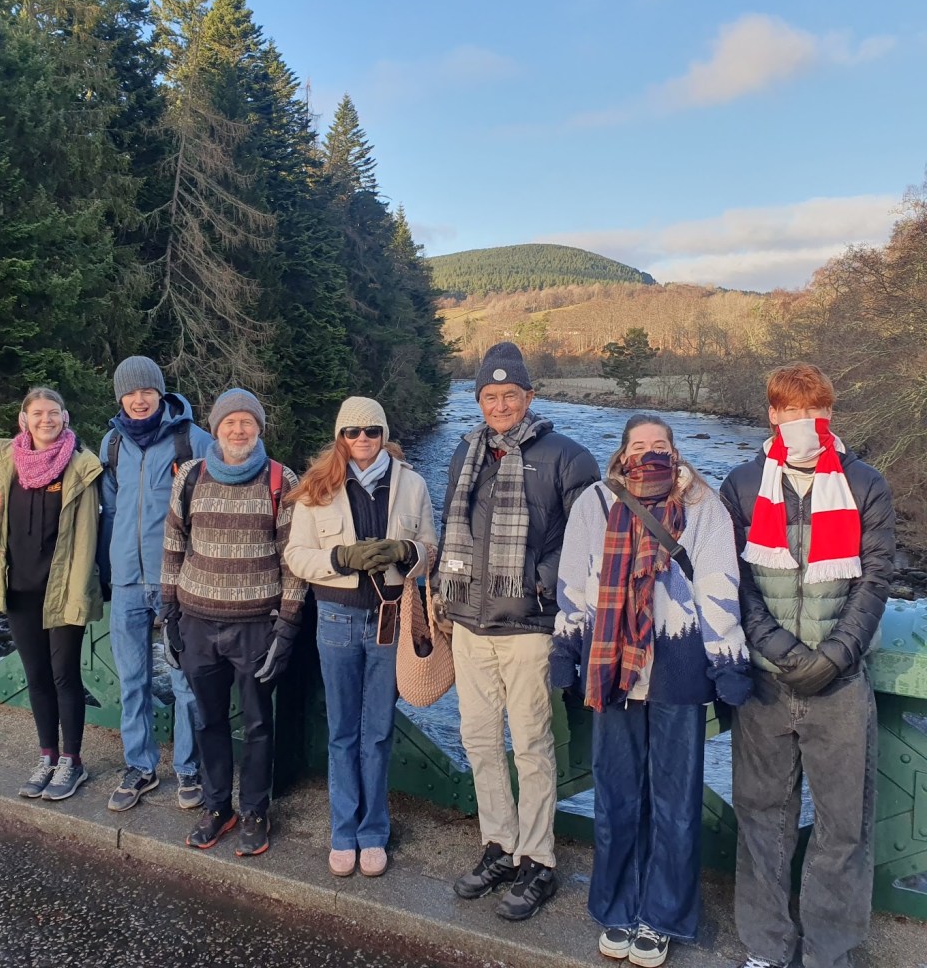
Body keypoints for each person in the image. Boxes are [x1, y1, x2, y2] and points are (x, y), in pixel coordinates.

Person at [552, 414, 752, 967]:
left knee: (676, 803)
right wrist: (565, 647)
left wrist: (727, 659)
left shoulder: (703, 504)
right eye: (638, 445)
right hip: (613, 668)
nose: (649, 453)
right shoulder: (594, 502)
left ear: (674, 450)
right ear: (621, 453)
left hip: (679, 669)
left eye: (659, 445)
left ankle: (662, 917)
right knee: (616, 797)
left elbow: (718, 584)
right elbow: (575, 580)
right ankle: (616, 906)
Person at [720, 363, 895, 968]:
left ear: (829, 415)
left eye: (814, 411)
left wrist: (837, 655)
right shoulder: (742, 484)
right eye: (791, 411)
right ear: (772, 414)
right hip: (767, 685)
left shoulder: (865, 483)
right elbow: (732, 581)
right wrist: (779, 650)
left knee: (843, 827)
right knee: (762, 818)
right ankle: (767, 947)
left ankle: (829, 951)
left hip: (840, 687)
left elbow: (876, 579)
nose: (803, 423)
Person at [436, 342, 600, 921]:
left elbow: (586, 540)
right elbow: (451, 526)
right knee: (480, 740)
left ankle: (538, 859)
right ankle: (499, 845)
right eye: (489, 395)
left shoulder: (568, 456)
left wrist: (539, 584)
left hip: (529, 624)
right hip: (470, 622)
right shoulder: (466, 453)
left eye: (510, 394)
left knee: (531, 745)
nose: (500, 404)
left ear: (529, 396)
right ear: (478, 400)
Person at [285, 397, 437, 879]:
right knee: (343, 731)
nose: (363, 440)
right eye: (352, 432)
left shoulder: (412, 483)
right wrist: (339, 560)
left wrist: (405, 550)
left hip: (391, 617)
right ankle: (342, 830)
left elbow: (431, 551)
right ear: (340, 438)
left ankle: (374, 830)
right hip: (335, 618)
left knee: (378, 731)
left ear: (383, 432)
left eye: (372, 431)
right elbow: (296, 555)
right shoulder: (317, 487)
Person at [160, 389, 307, 855]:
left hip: (256, 626)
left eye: (247, 422)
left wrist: (285, 627)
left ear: (259, 428)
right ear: (216, 428)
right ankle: (218, 806)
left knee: (260, 723)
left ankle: (256, 811)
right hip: (198, 622)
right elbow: (172, 546)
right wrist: (168, 614)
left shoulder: (282, 480)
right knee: (209, 721)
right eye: (230, 423)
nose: (238, 430)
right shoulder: (189, 476)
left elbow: (293, 563)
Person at [0, 387, 103, 802]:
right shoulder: (8, 462)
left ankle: (72, 761)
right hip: (19, 590)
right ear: (23, 419)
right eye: (38, 413)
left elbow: (86, 538)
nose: (46, 419)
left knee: (65, 675)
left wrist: (81, 592)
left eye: (54, 413)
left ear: (65, 418)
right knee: (37, 678)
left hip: (62, 591)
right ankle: (47, 756)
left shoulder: (81, 467)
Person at [98, 356, 209, 813]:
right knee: (133, 681)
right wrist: (106, 573)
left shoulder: (191, 440)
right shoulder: (112, 444)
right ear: (121, 397)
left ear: (160, 393)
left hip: (176, 579)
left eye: (147, 391)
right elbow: (110, 511)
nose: (139, 400)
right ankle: (140, 768)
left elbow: (209, 512)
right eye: (130, 392)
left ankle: (188, 768)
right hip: (125, 580)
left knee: (185, 681)